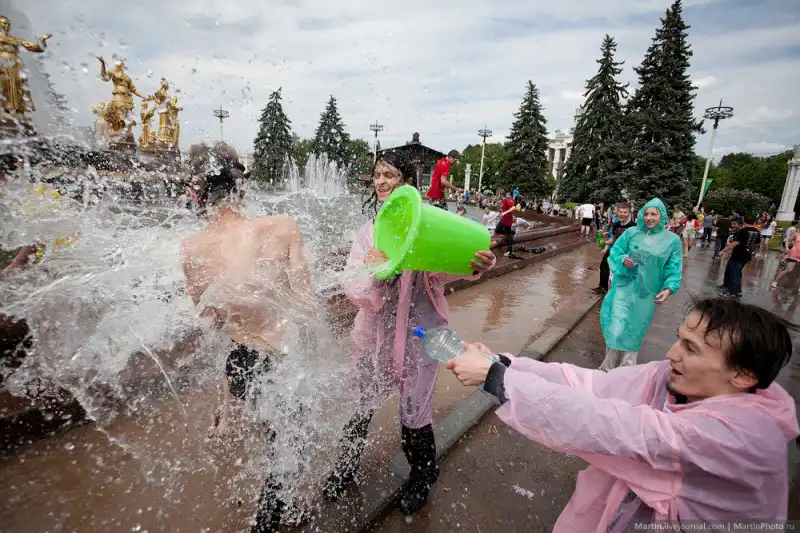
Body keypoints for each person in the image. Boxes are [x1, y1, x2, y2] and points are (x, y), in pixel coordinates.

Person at [447, 297, 799, 530]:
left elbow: (614, 427)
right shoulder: (669, 377)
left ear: (743, 375)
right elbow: (591, 386)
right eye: (678, 339)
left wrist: (497, 379)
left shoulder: (739, 438)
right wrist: (505, 364)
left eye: (690, 349)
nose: (671, 353)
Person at [323, 149, 496, 514]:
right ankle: (344, 468)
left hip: (420, 337)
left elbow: (444, 270)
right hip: (374, 340)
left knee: (415, 412)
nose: (381, 182)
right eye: (377, 175)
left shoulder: (426, 225)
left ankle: (422, 476)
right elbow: (354, 291)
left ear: (405, 182)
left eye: (389, 175)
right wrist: (375, 271)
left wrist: (475, 265)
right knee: (360, 406)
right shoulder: (368, 234)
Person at [180, 142, 313, 531]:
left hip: (239, 359)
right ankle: (271, 518)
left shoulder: (191, 248)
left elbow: (211, 317)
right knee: (285, 440)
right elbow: (306, 302)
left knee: (265, 436)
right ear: (241, 184)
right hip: (282, 355)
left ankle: (273, 509)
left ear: (198, 192)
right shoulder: (281, 227)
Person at [598, 198, 682, 370]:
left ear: (662, 216)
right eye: (647, 214)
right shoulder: (631, 233)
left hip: (647, 293)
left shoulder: (672, 240)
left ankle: (626, 370)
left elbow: (673, 267)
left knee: (635, 330)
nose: (649, 218)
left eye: (654, 214)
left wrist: (668, 288)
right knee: (616, 327)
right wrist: (623, 259)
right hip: (623, 287)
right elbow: (616, 251)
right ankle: (607, 369)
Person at [592, 203, 636, 296]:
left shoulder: (633, 226)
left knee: (623, 274)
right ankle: (603, 289)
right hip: (615, 251)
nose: (622, 214)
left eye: (625, 212)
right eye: (621, 212)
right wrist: (605, 243)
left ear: (629, 213)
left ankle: (624, 294)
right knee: (605, 267)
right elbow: (614, 238)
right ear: (617, 212)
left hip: (626, 254)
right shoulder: (616, 224)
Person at [719, 214, 760, 299]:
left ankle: (734, 292)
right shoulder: (757, 232)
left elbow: (736, 242)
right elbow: (757, 244)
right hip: (746, 255)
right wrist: (751, 251)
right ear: (754, 222)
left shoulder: (743, 231)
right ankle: (727, 287)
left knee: (735, 274)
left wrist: (723, 250)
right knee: (730, 270)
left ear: (744, 221)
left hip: (738, 254)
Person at [771, 226, 800, 291]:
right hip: (794, 254)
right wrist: (786, 248)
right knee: (789, 269)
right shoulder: (796, 234)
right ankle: (775, 281)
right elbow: (787, 240)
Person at [494, 193, 520, 259]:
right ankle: (512, 232)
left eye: (498, 195)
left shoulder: (506, 200)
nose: (497, 197)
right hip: (504, 219)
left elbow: (514, 207)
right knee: (497, 230)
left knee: (508, 235)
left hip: (507, 220)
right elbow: (503, 210)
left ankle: (510, 251)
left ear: (501, 195)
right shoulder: (503, 201)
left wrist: (505, 213)